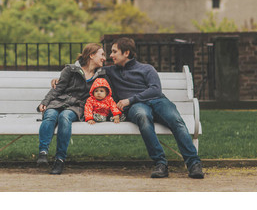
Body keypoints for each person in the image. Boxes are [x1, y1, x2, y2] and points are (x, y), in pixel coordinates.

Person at [106, 37, 204, 179]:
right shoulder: (110, 71)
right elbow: (85, 67)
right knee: (143, 117)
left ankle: (194, 164)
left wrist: (130, 99)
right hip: (136, 106)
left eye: (114, 52)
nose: (110, 55)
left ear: (126, 53)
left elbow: (156, 90)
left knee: (175, 120)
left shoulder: (147, 68)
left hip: (157, 101)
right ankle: (160, 164)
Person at [36, 42, 109, 175]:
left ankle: (60, 159)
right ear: (91, 55)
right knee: (50, 114)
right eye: (102, 54)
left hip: (78, 106)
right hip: (59, 101)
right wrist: (45, 102)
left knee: (65, 117)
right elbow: (57, 89)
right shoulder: (70, 69)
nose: (104, 58)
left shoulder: (102, 74)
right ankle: (43, 152)